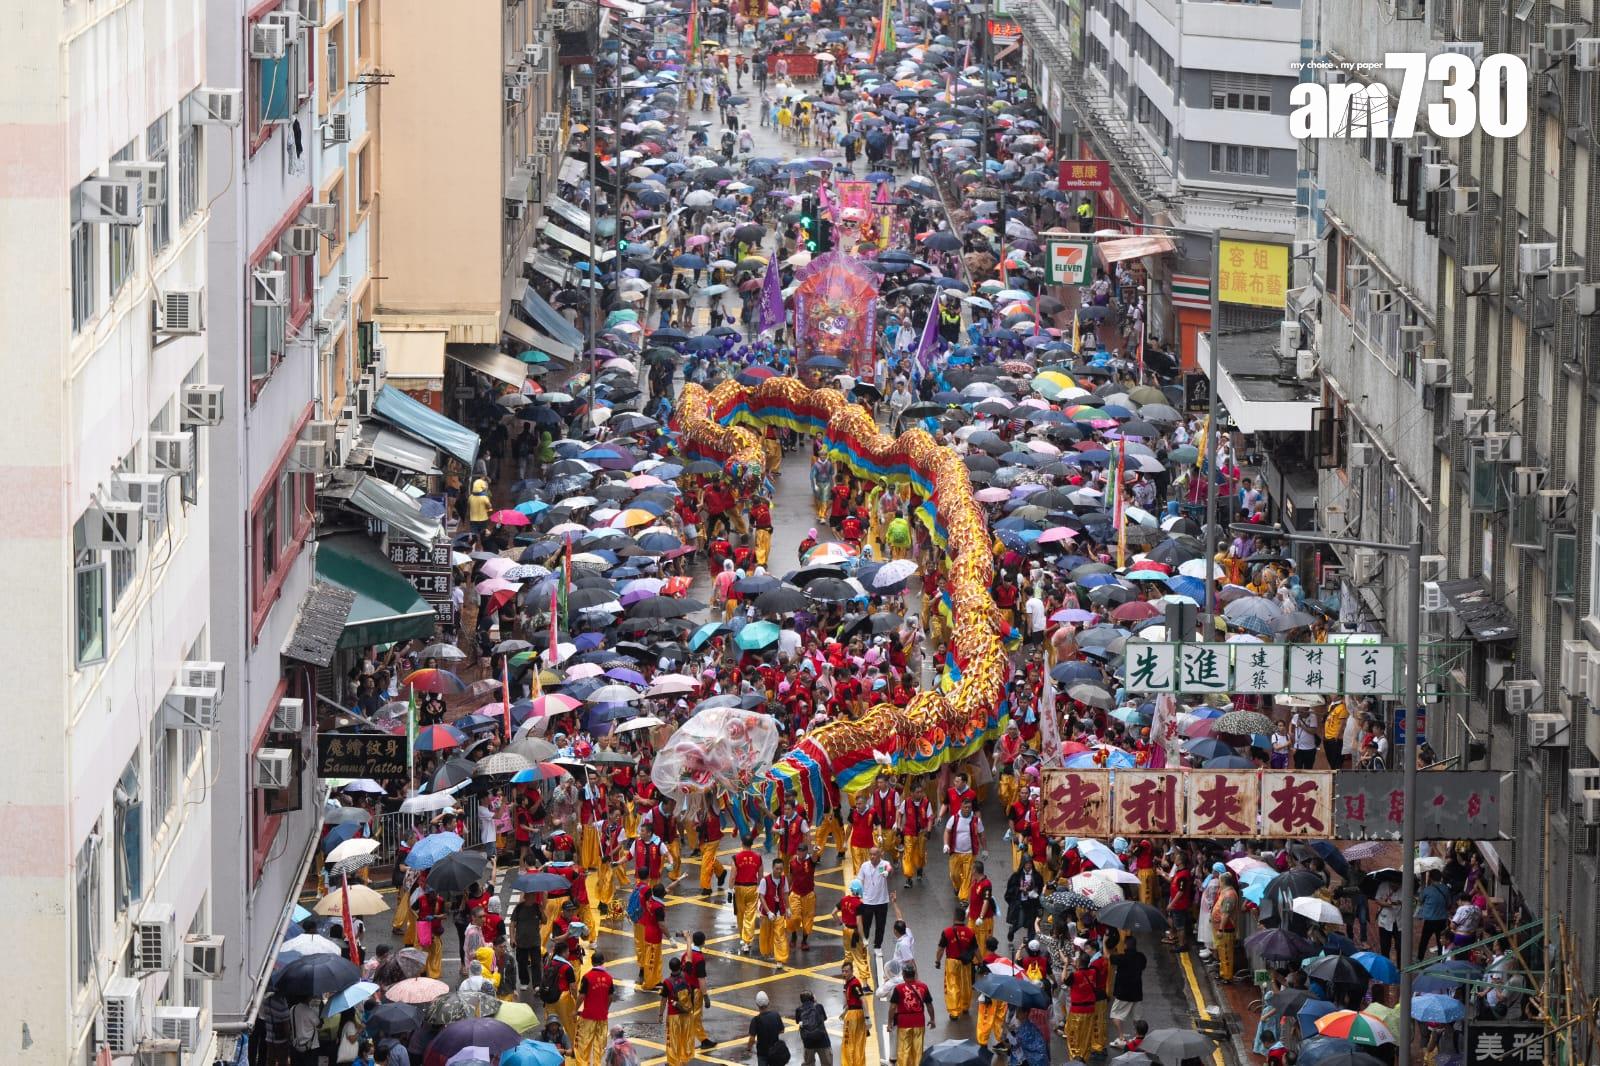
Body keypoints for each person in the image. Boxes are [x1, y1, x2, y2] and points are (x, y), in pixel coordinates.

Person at [889, 962, 935, 1066]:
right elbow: (929, 1005)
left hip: (904, 1022)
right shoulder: (923, 987)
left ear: (904, 975)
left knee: (904, 1050)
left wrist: (890, 1022)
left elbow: (892, 1007)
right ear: (914, 974)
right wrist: (932, 1019)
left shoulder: (899, 988)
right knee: (918, 1050)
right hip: (919, 1021)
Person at [935, 906, 977, 1020]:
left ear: (954, 917)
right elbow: (976, 950)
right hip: (966, 963)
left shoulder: (947, 932)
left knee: (953, 985)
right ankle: (965, 1006)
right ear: (964, 918)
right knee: (966, 985)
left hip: (952, 962)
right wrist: (981, 962)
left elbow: (940, 949)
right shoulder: (970, 932)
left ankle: (954, 1012)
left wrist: (937, 961)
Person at [575, 952, 615, 1066]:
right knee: (599, 1045)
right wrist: (605, 1009)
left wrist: (575, 1010)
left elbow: (582, 996)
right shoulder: (609, 978)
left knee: (583, 1043)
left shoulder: (587, 977)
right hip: (602, 1017)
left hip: (588, 1016)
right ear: (603, 962)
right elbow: (610, 997)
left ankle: (583, 1064)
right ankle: (597, 1064)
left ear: (592, 962)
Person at [944, 796, 983, 903]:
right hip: (955, 853)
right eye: (965, 807)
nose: (967, 809)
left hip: (969, 854)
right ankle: (958, 888)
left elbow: (981, 834)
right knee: (954, 874)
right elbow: (947, 831)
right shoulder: (954, 818)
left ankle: (964, 898)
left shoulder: (976, 820)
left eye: (969, 807)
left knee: (968, 876)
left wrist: (985, 849)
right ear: (961, 806)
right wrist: (946, 844)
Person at [660, 956, 697, 1066]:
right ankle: (684, 1061)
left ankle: (673, 1062)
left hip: (674, 1016)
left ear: (670, 968)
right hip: (687, 1014)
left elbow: (663, 1000)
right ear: (680, 966)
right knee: (685, 1038)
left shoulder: (667, 982)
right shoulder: (687, 977)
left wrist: (660, 1014)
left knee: (673, 1040)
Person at [1109, 937, 1146, 1047]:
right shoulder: (1141, 957)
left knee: (1115, 1015)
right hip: (1137, 993)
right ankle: (1139, 1038)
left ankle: (1121, 1038)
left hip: (1123, 994)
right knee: (1137, 1018)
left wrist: (1107, 938)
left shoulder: (1121, 958)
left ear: (1125, 946)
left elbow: (1108, 956)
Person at [857, 846, 894, 952]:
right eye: (870, 854)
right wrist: (859, 896)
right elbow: (860, 880)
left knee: (880, 926)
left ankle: (877, 946)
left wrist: (887, 872)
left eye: (874, 855)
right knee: (866, 925)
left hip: (882, 901)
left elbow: (890, 868)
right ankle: (865, 941)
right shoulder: (864, 866)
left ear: (879, 855)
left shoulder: (884, 864)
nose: (872, 857)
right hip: (867, 902)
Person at [732, 835, 764, 954]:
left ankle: (743, 938)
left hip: (739, 888)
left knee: (740, 914)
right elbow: (760, 875)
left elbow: (733, 875)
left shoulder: (736, 857)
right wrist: (761, 890)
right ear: (752, 844)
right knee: (750, 915)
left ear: (742, 843)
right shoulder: (758, 857)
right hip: (753, 888)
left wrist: (730, 890)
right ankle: (747, 940)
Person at [759, 856, 792, 964]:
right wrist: (768, 912)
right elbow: (761, 897)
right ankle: (766, 952)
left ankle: (780, 959)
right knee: (766, 935)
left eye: (781, 869)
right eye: (777, 868)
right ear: (772, 868)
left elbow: (786, 894)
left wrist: (788, 908)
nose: (779, 871)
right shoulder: (765, 880)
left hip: (779, 912)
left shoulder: (784, 879)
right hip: (767, 913)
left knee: (780, 936)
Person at [1210, 872, 1241, 982]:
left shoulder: (1229, 895)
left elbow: (1226, 914)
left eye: (1219, 880)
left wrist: (1220, 929)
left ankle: (1227, 976)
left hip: (1226, 929)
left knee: (1226, 953)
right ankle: (1223, 973)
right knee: (1222, 953)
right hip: (1220, 927)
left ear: (1222, 882)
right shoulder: (1225, 892)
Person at [840, 957, 869, 1066]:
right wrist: (844, 1012)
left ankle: (849, 1063)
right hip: (853, 1012)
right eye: (843, 971)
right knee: (858, 1041)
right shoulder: (848, 983)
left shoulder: (854, 984)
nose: (844, 973)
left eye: (846, 971)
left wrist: (867, 1018)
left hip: (854, 1015)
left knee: (848, 1041)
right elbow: (851, 1000)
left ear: (852, 971)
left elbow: (863, 999)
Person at [747, 991, 788, 1066]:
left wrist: (749, 1048)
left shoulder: (755, 1020)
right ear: (768, 1002)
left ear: (757, 1004)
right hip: (775, 1051)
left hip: (762, 1053)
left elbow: (752, 1039)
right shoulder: (775, 1015)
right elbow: (782, 1030)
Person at [795, 990, 833, 1066]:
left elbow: (798, 1022)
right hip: (823, 1041)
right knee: (827, 1063)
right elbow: (824, 1018)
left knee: (809, 1063)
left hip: (808, 1043)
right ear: (812, 998)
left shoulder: (798, 1010)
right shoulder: (819, 1006)